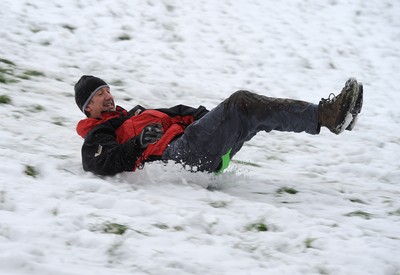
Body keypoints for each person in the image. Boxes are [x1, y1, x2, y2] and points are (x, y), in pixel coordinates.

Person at [74, 76, 363, 176]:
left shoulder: (135, 113)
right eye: (99, 94)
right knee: (242, 102)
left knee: (250, 112)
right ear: (88, 108)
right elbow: (100, 163)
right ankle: (329, 114)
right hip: (178, 157)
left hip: (197, 149)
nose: (107, 96)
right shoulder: (99, 133)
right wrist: (138, 144)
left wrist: (209, 119)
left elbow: (183, 113)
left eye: (107, 90)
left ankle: (330, 117)